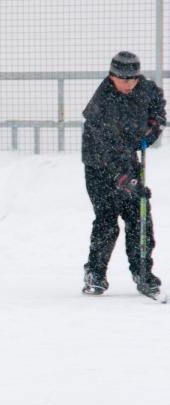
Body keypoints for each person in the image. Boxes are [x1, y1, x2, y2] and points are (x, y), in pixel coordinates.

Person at [81, 51, 166, 297]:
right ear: (112, 76)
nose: (129, 84)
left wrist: (153, 126)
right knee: (107, 220)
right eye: (123, 80)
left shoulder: (144, 88)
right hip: (99, 167)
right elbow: (105, 151)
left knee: (139, 216)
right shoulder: (101, 104)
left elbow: (157, 105)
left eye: (133, 79)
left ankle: (142, 271)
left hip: (128, 159)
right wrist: (125, 180)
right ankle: (95, 274)